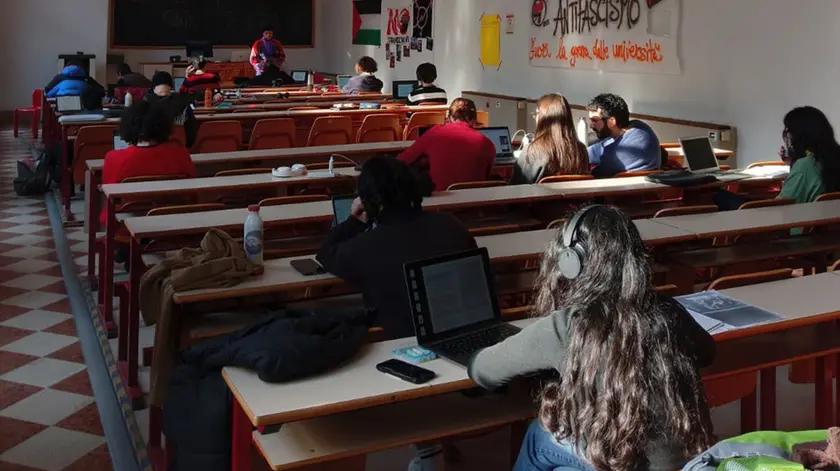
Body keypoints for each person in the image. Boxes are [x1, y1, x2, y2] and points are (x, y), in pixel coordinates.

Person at [469, 205, 716, 471]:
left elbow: (482, 371)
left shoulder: (566, 326)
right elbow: (708, 353)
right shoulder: (667, 311)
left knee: (538, 435)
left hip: (622, 462)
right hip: (688, 462)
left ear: (570, 262)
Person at [317, 157, 477, 339]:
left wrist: (354, 221)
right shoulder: (452, 225)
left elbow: (325, 253)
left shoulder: (364, 246)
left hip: (399, 343)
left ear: (368, 200)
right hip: (465, 330)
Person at [715, 106, 840, 210]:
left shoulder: (805, 166)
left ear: (798, 136)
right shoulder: (830, 158)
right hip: (826, 229)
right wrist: (791, 162)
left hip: (793, 229)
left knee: (720, 197)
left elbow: (780, 206)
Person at [101, 101, 196, 226]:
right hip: (173, 222)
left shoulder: (114, 158)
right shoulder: (180, 153)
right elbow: (192, 194)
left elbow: (110, 201)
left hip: (129, 225)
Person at [397, 98, 495, 191]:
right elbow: (487, 175)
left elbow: (403, 160)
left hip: (440, 202)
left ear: (448, 118)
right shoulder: (486, 143)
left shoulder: (435, 133)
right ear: (474, 120)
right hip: (476, 204)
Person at [511, 93, 589, 185]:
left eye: (536, 114)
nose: (535, 118)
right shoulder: (581, 150)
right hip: (575, 199)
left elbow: (517, 187)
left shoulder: (532, 150)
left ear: (543, 118)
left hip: (540, 199)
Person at [586, 93, 661, 178]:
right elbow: (598, 148)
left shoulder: (614, 155)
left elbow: (592, 176)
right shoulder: (641, 127)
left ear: (612, 121)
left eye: (594, 120)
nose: (591, 126)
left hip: (625, 190)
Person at [143, 71, 198, 148]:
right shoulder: (183, 104)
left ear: (153, 87)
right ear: (171, 86)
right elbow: (191, 133)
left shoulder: (145, 104)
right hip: (179, 150)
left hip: (153, 151)